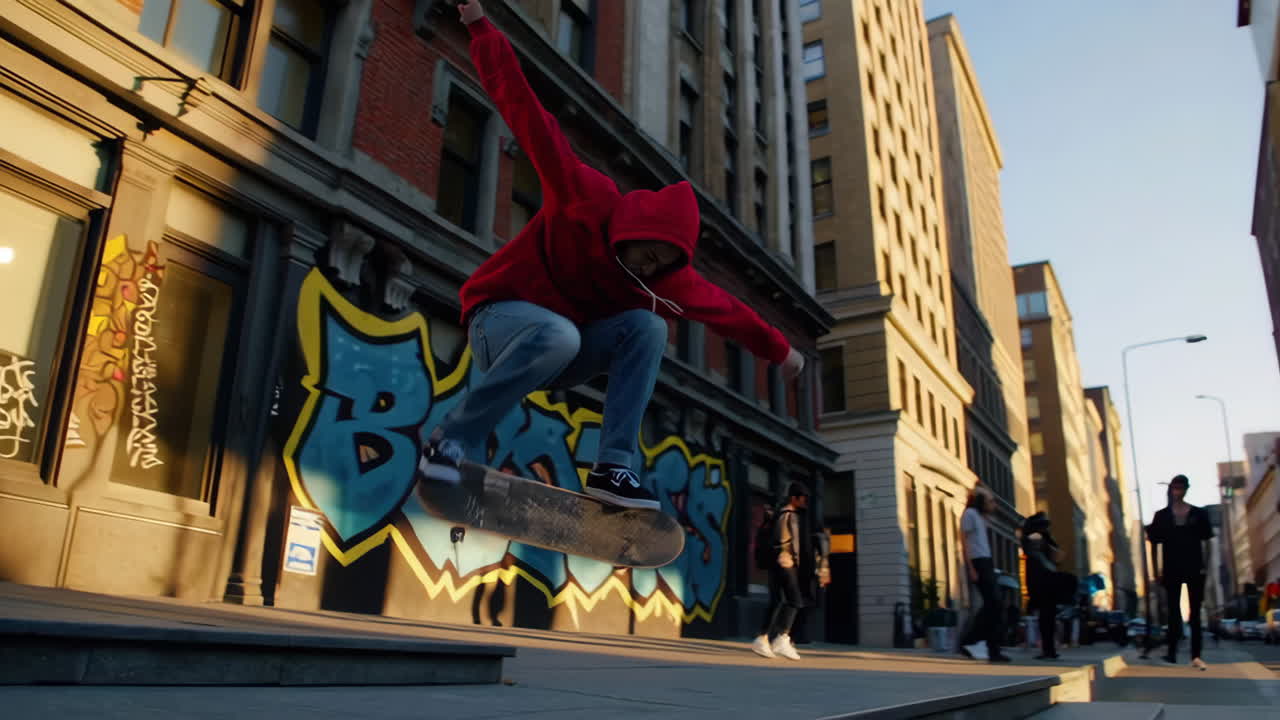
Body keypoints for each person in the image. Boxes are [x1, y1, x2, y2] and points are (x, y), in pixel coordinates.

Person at [420, 1, 805, 510]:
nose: (646, 269)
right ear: (632, 228)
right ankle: (451, 440)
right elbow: (524, 110)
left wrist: (780, 350)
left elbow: (727, 311)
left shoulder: (667, 280)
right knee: (558, 333)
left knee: (649, 328)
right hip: (496, 323)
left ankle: (613, 469)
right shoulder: (584, 195)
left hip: (564, 350)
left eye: (659, 266)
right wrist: (479, 26)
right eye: (646, 254)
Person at [1146, 474, 1214, 670]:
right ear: (1171, 489)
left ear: (1186, 489)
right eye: (1175, 487)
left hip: (1195, 567)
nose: (1178, 491)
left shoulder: (1199, 514)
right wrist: (1156, 570)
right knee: (1173, 612)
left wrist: (1206, 567)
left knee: (1194, 613)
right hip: (1171, 567)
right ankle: (1171, 652)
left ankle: (1196, 655)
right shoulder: (1162, 516)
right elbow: (1153, 544)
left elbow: (1207, 541)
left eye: (1181, 487)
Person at [752, 483, 814, 661]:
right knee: (795, 600)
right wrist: (792, 560)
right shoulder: (789, 515)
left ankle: (762, 638)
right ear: (794, 498)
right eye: (803, 498)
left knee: (777, 601)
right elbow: (784, 541)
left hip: (778, 562)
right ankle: (781, 638)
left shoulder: (783, 513)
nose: (805, 502)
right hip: (785, 562)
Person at [959, 486, 1010, 663]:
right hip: (978, 562)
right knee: (994, 604)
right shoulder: (970, 514)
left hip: (986, 562)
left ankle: (980, 644)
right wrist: (971, 568)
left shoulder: (980, 517)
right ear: (980, 500)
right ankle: (974, 642)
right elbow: (963, 541)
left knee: (993, 606)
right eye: (989, 501)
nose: (993, 504)